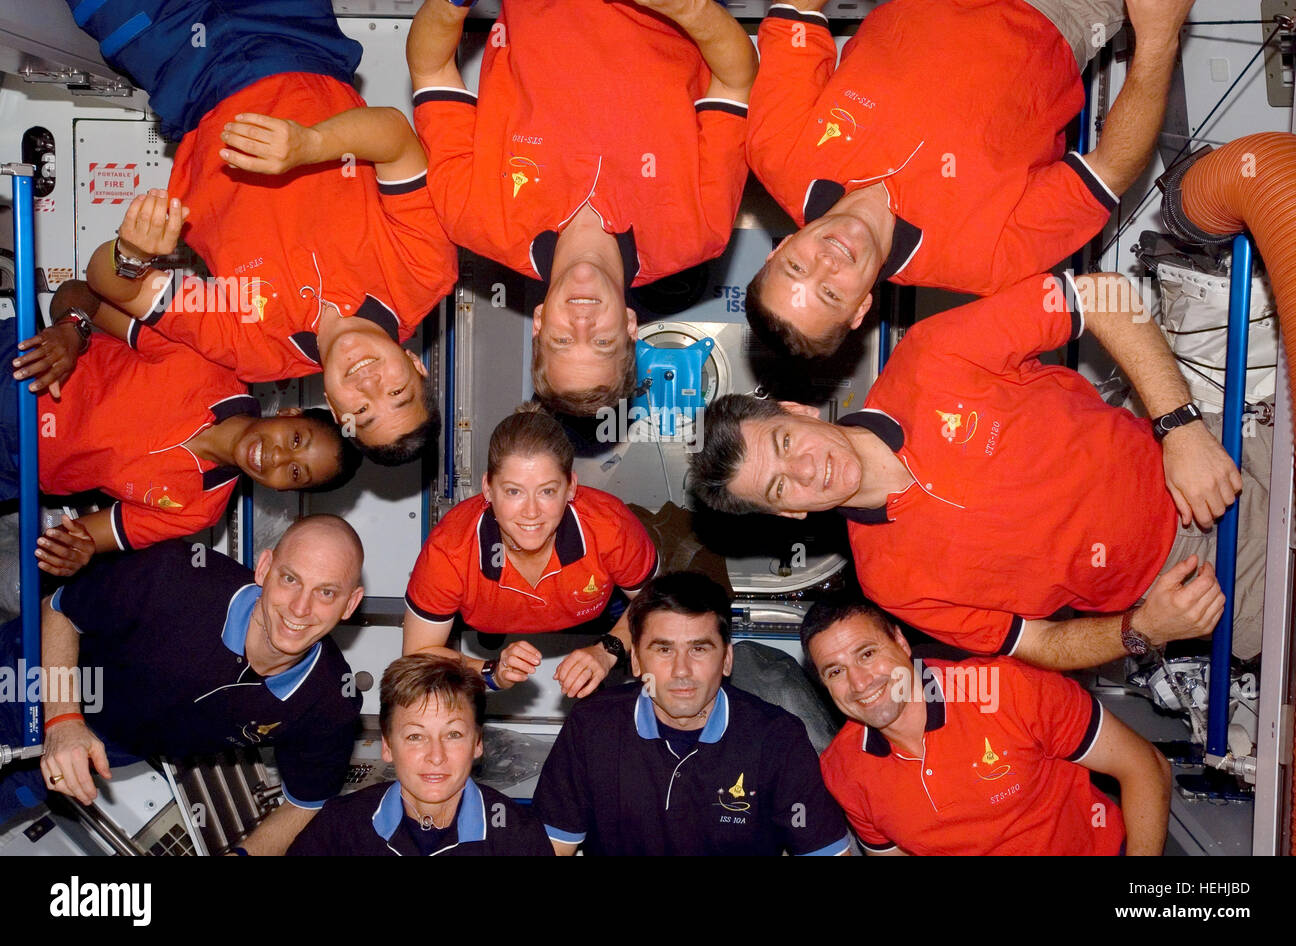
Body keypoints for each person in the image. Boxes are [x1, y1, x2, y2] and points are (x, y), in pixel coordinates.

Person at [691, 272, 1249, 669]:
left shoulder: (931, 357)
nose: (808, 469)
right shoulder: (891, 583)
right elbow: (1039, 644)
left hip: (1210, 460)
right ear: (789, 510)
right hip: (1193, 586)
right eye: (781, 485)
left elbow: (1101, 295)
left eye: (786, 442)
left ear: (796, 411)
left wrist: (1180, 428)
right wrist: (1143, 630)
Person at [68, 0, 457, 463]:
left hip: (178, 65)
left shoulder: (255, 348)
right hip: (294, 33)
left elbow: (107, 283)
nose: (369, 384)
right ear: (417, 367)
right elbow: (396, 138)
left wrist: (130, 253)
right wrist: (309, 145)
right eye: (397, 392)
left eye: (362, 410)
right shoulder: (424, 273)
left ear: (333, 408)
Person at [744, 0, 1193, 358]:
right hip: (1059, 11)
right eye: (829, 293)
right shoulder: (983, 262)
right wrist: (1157, 41)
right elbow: (1109, 171)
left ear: (779, 250)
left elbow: (795, 17)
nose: (826, 261)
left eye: (796, 267)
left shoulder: (776, 154)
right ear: (861, 309)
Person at [406, 0, 756, 414]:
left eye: (563, 340)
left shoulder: (473, 219)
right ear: (630, 327)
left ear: (539, 324)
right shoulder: (699, 232)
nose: (582, 322)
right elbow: (737, 79)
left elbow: (431, 70)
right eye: (603, 342)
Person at [0, 516, 366, 855]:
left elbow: (307, 802)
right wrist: (62, 719)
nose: (301, 608)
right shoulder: (178, 575)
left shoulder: (329, 704)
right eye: (290, 579)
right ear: (265, 568)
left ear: (350, 604)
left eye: (326, 593)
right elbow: (60, 609)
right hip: (29, 675)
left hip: (95, 750)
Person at [4, 280, 358, 577]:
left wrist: (76, 552)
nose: (279, 456)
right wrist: (70, 328)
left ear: (284, 491)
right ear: (290, 413)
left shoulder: (198, 510)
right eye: (296, 439)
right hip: (17, 372)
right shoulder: (211, 360)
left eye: (296, 472)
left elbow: (87, 536)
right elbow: (83, 293)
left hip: (11, 469)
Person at [802, 598, 1171, 855]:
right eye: (835, 671)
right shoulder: (844, 770)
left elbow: (1146, 766)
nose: (860, 682)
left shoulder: (1011, 689)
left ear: (900, 641)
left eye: (867, 653)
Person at [532, 571, 851, 856]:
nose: (681, 670)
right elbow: (553, 848)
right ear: (637, 662)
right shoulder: (592, 728)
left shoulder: (778, 739)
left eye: (699, 649)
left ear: (727, 659)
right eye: (663, 649)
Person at [404, 404, 658, 699]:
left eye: (547, 491)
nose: (531, 512)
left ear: (571, 488)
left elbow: (657, 603)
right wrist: (491, 671)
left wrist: (609, 649)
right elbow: (417, 656)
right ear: (487, 489)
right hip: (488, 616)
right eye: (513, 491)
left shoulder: (609, 525)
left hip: (599, 612)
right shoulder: (450, 548)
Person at [287, 654, 552, 856]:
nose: (436, 756)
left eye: (453, 735)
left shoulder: (518, 837)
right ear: (388, 746)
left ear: (478, 743)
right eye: (416, 736)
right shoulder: (339, 828)